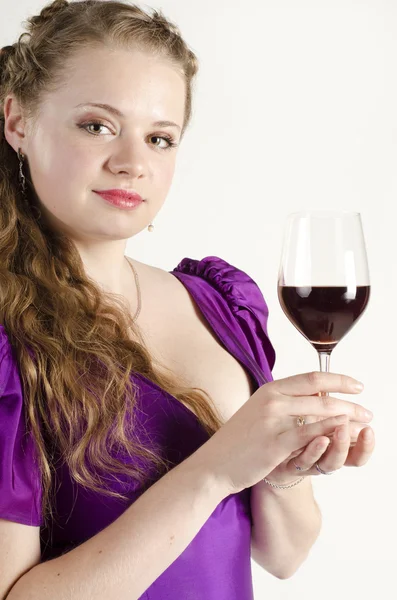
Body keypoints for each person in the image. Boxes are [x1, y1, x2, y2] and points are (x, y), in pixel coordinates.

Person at [0, 1, 375, 599]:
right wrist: (215, 468)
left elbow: (285, 555)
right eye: (97, 125)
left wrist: (283, 470)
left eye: (159, 138)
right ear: (17, 121)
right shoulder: (7, 341)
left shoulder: (220, 305)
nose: (132, 163)